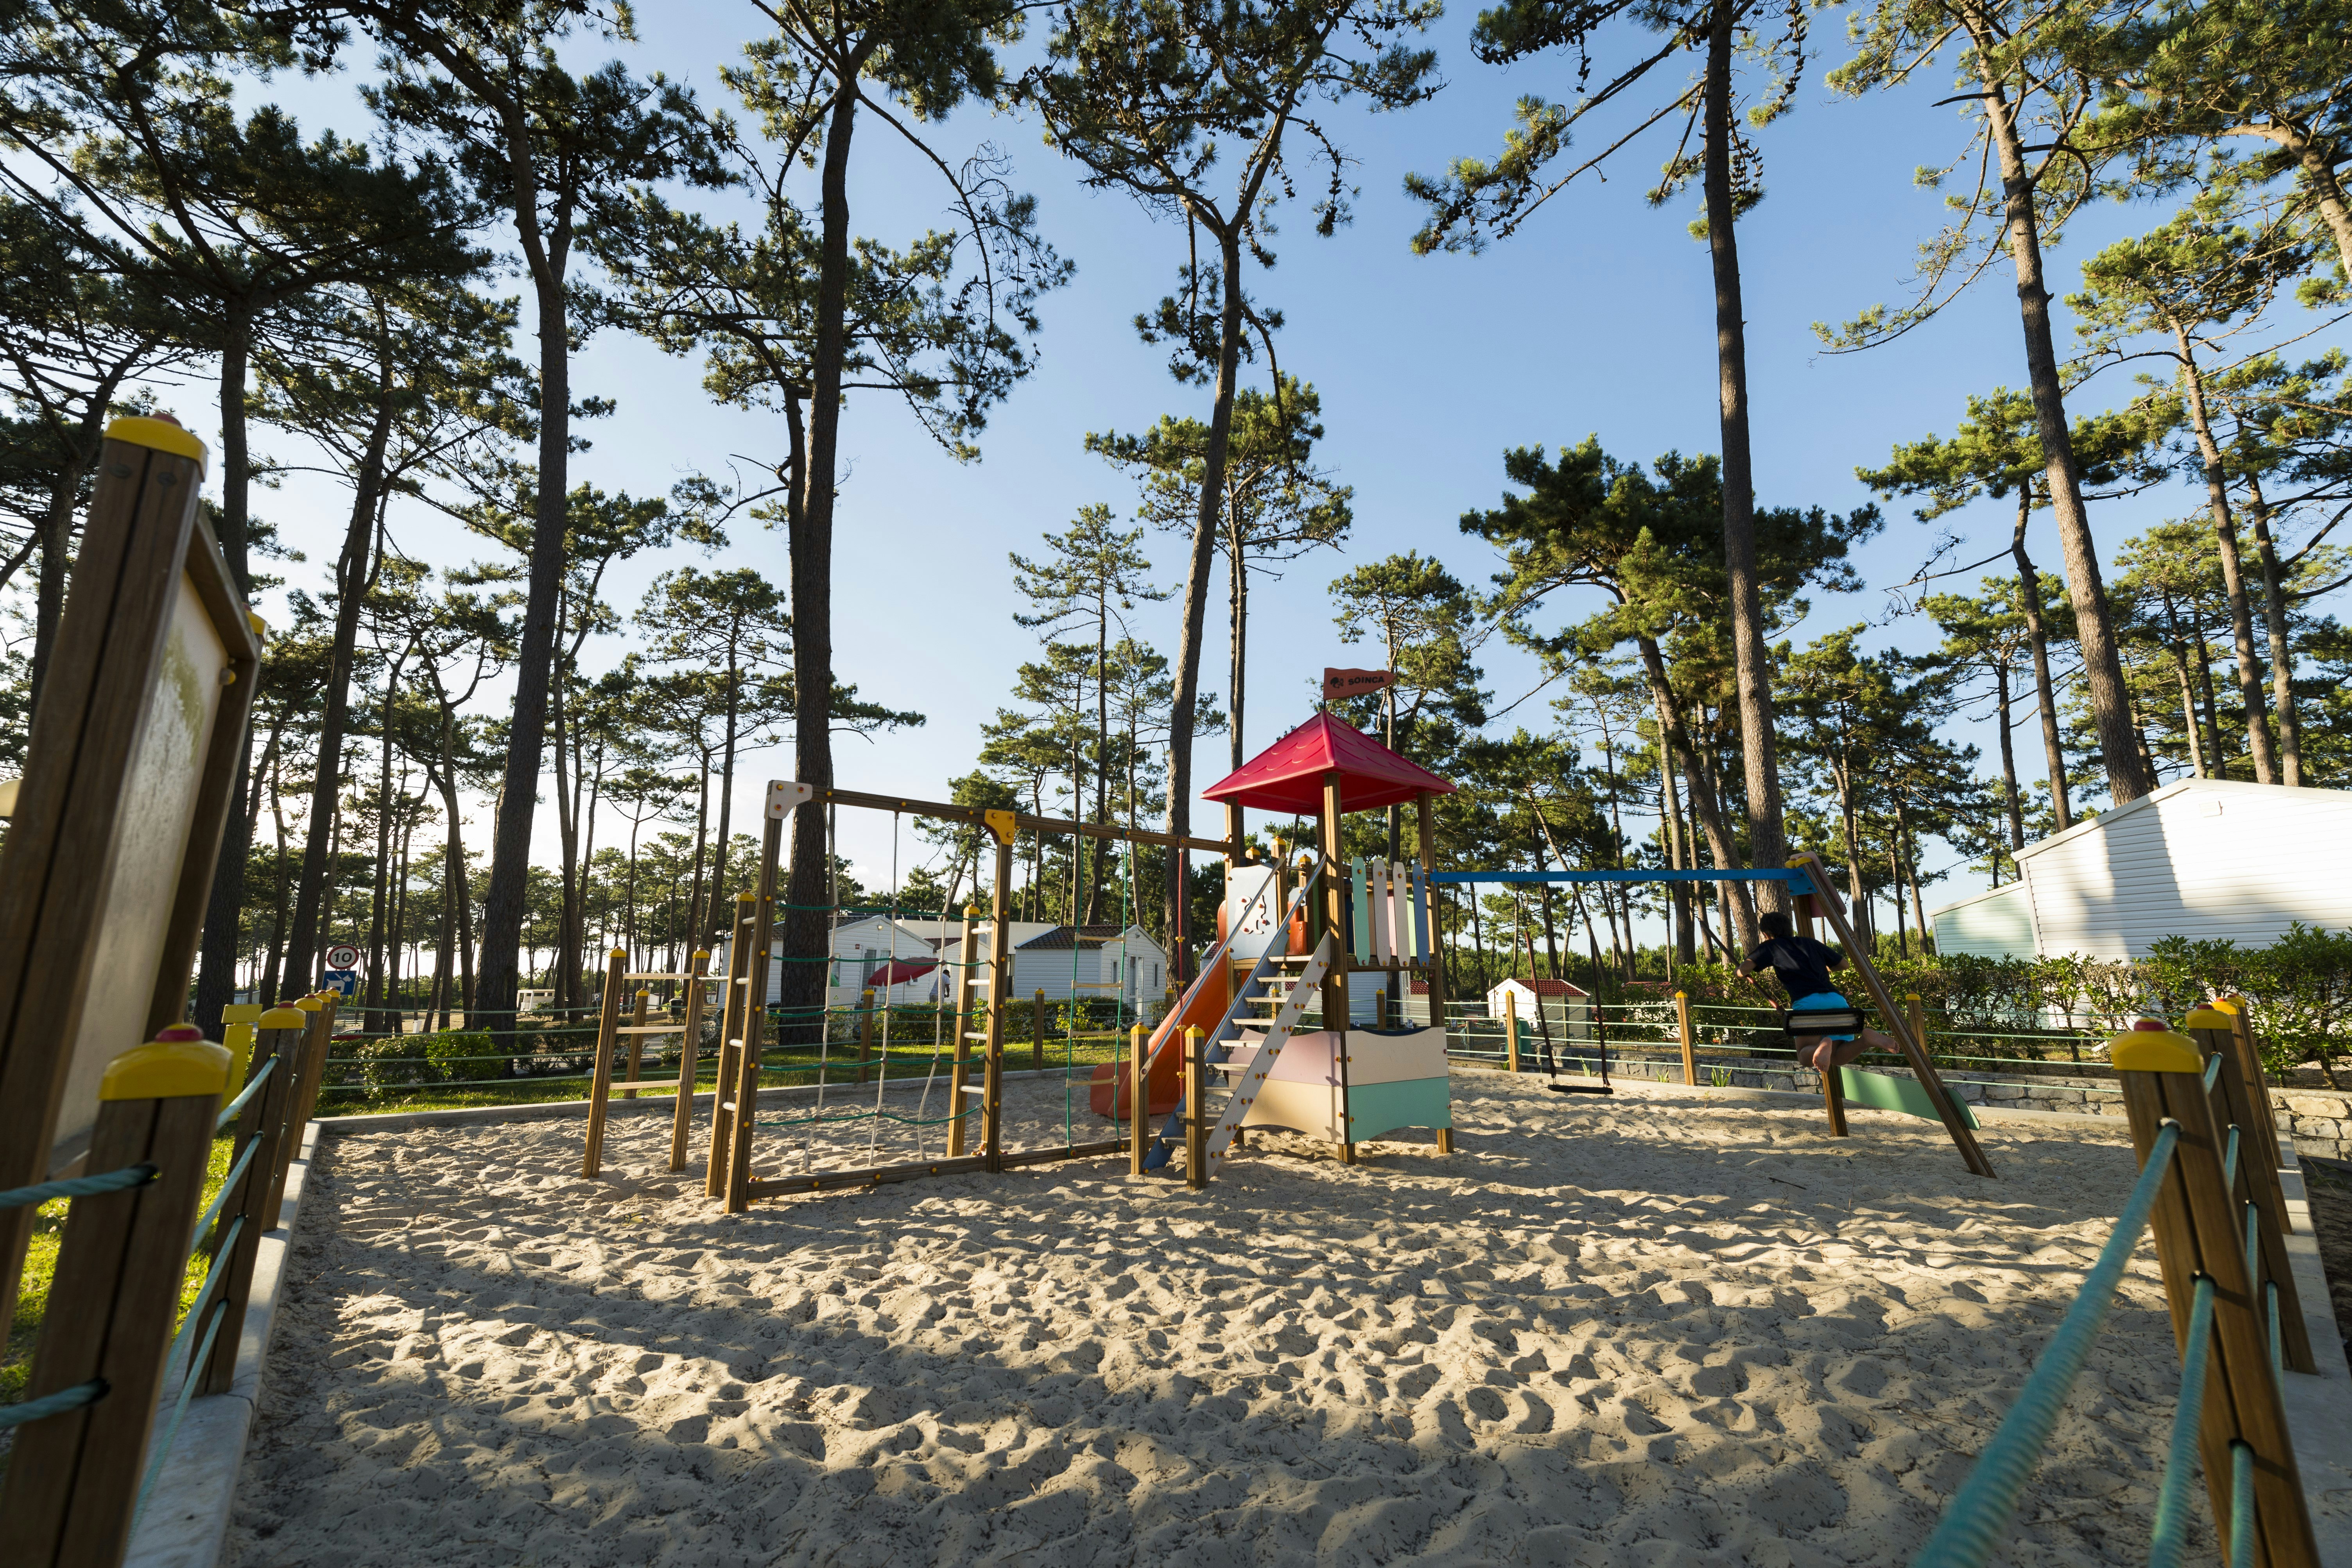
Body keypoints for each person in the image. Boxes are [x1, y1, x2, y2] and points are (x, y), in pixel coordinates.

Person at [1744, 910, 1898, 1072]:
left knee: (1806, 1056)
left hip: (1808, 1003)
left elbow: (1744, 969)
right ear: (1790, 928)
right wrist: (1820, 970)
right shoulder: (1811, 943)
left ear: (1766, 934)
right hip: (1837, 1001)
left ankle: (1822, 1045)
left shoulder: (1771, 946)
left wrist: (1739, 972)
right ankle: (1866, 1040)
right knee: (1837, 1057)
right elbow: (1844, 964)